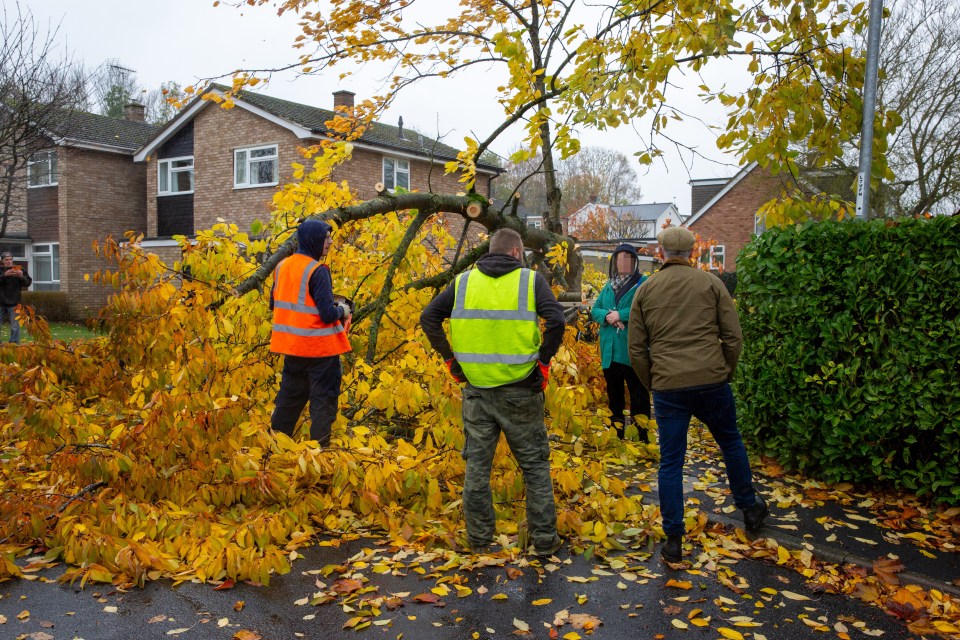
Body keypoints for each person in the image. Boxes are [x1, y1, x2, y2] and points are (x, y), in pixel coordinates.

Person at [420, 228, 566, 556]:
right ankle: (544, 542)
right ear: (516, 253)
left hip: (476, 390)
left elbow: (428, 317)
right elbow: (557, 321)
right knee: (534, 467)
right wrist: (542, 364)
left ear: (491, 251)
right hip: (521, 390)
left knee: (477, 467)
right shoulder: (531, 281)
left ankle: (479, 540)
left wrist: (450, 360)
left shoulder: (463, 282)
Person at [627, 226, 767, 564]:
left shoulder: (646, 290)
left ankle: (674, 538)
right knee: (730, 442)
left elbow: (636, 349)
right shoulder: (712, 284)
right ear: (692, 253)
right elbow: (733, 337)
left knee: (671, 461)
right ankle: (749, 508)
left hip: (668, 388)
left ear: (660, 252)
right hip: (711, 382)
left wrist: (652, 383)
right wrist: (724, 371)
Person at [269, 220, 352, 447]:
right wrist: (343, 309)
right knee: (322, 406)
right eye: (326, 237)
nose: (330, 241)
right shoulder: (317, 271)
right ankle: (319, 458)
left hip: (293, 350)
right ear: (315, 239)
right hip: (320, 353)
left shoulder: (282, 267)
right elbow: (327, 314)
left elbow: (276, 304)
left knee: (287, 405)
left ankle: (272, 455)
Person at [590, 243, 650, 440]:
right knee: (614, 397)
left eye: (627, 258)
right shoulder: (609, 285)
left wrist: (620, 315)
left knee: (638, 395)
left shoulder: (643, 283)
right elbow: (595, 309)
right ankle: (616, 434)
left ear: (634, 262)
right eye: (619, 258)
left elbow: (645, 309)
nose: (623, 262)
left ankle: (641, 436)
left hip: (632, 350)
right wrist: (608, 317)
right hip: (610, 351)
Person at [1, 252, 32, 344]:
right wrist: (4, 275)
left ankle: (13, 344)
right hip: (0, 302)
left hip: (15, 303)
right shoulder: (0, 270)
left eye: (10, 259)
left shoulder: (19, 269)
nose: (9, 261)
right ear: (2, 261)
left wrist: (21, 276)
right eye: (6, 260)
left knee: (15, 326)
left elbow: (28, 283)